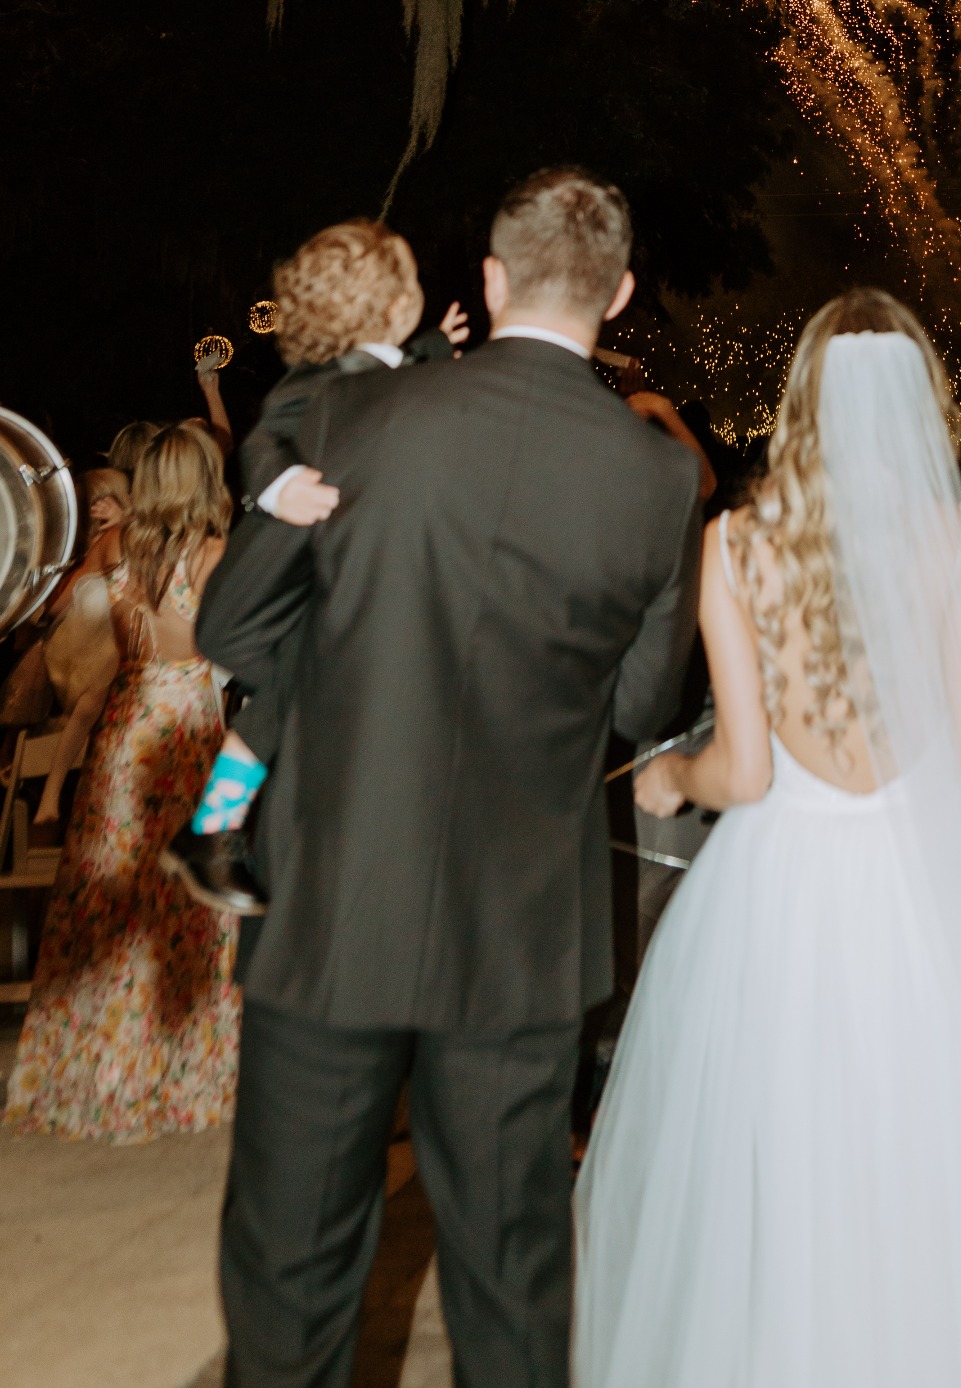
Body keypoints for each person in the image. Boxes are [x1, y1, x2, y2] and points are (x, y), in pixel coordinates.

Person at [196, 166, 701, 1388]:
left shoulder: (355, 419)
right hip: (522, 928)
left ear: (489, 276)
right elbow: (640, 707)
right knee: (511, 1268)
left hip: (331, 902)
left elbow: (237, 632)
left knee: (292, 1262)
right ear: (620, 294)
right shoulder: (657, 478)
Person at [573, 290, 961, 1388]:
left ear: (801, 401)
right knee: (929, 1168)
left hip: (787, 894)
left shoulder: (738, 546)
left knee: (777, 1178)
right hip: (927, 896)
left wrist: (673, 772)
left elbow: (749, 771)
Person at [163, 217, 466, 915]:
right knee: (302, 676)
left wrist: (433, 345)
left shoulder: (392, 364)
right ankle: (210, 829)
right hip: (275, 569)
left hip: (323, 582)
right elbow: (266, 438)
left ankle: (212, 828)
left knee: (299, 684)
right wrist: (279, 486)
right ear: (392, 305)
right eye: (413, 279)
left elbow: (399, 360)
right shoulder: (314, 384)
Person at [4, 424, 239, 1141]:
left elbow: (47, 604)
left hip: (126, 722)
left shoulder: (112, 549)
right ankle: (175, 1065)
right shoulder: (214, 555)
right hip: (188, 725)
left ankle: (94, 1064)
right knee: (184, 902)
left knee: (104, 895)